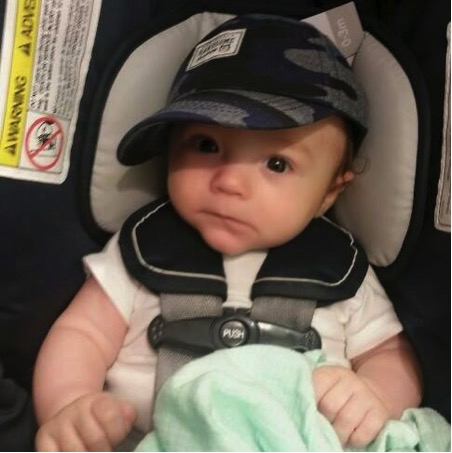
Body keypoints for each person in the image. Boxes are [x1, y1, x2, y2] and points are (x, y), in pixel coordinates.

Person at [33, 14, 422, 451]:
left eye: (277, 164)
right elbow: (81, 335)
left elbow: (390, 358)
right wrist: (69, 404)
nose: (229, 182)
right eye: (206, 145)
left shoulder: (342, 271)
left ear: (330, 193)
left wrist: (374, 397)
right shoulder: (143, 249)